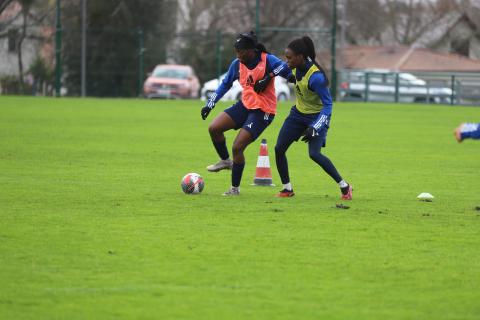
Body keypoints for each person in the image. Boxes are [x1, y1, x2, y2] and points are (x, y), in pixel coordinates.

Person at [200, 31, 291, 196]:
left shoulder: (267, 60)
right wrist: (209, 104)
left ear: (251, 50)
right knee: (214, 128)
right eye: (236, 51)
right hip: (245, 105)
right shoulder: (237, 64)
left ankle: (234, 189)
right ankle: (226, 161)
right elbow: (225, 84)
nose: (238, 55)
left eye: (240, 51)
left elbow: (287, 67)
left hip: (263, 111)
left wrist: (269, 76)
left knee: (238, 147)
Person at [272, 36, 352, 200]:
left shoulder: (316, 77)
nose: (286, 61)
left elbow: (328, 105)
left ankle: (344, 186)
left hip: (317, 117)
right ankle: (287, 189)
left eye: (289, 57)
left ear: (301, 56)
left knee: (314, 154)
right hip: (297, 115)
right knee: (279, 149)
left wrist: (315, 127)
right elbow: (275, 65)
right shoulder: (292, 67)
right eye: (286, 57)